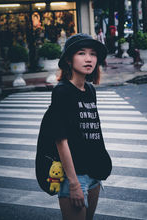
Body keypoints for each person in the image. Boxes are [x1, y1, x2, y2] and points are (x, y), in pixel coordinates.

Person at [48, 33, 112, 220]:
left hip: (94, 174)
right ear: (69, 60)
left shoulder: (89, 90)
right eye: (81, 53)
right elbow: (61, 140)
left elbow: (93, 131)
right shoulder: (62, 92)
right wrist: (74, 183)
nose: (89, 59)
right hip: (75, 177)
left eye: (93, 54)